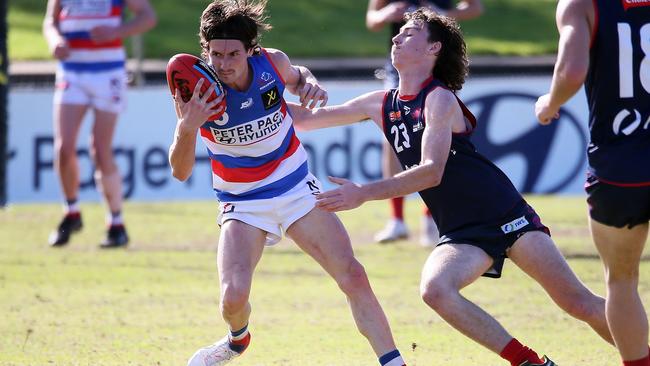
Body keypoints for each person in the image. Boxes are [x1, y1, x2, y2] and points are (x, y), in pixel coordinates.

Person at [290, 9, 615, 365]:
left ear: (433, 49)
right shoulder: (380, 103)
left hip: (503, 213)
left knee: (577, 303)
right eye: (398, 33)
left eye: (409, 33)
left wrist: (362, 193)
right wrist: (262, 84)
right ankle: (528, 362)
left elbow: (431, 172)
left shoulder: (439, 99)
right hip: (462, 231)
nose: (396, 37)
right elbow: (305, 119)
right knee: (436, 290)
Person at [168, 1, 407, 366]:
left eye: (234, 54)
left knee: (353, 276)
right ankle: (237, 341)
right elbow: (180, 171)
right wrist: (187, 128)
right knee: (232, 298)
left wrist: (310, 84)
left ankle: (394, 362)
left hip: (295, 189)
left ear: (252, 50)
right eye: (216, 54)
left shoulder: (272, 63)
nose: (224, 64)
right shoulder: (195, 91)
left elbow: (299, 77)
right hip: (242, 203)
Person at [535, 0, 650, 365]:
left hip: (621, 167)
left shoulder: (581, 4)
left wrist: (549, 105)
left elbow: (571, 72)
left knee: (621, 280)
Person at [366, 0, 483, 246]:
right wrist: (387, 14)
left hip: (434, 65)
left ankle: (432, 217)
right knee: (392, 136)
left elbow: (474, 8)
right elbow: (372, 20)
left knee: (437, 138)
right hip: (400, 70)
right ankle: (396, 219)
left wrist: (442, 15)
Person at [43, 0, 156, 248]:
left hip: (108, 74)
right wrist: (54, 41)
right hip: (71, 71)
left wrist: (115, 32)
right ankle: (71, 212)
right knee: (64, 148)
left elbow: (147, 17)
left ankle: (116, 223)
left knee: (100, 149)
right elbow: (50, 21)